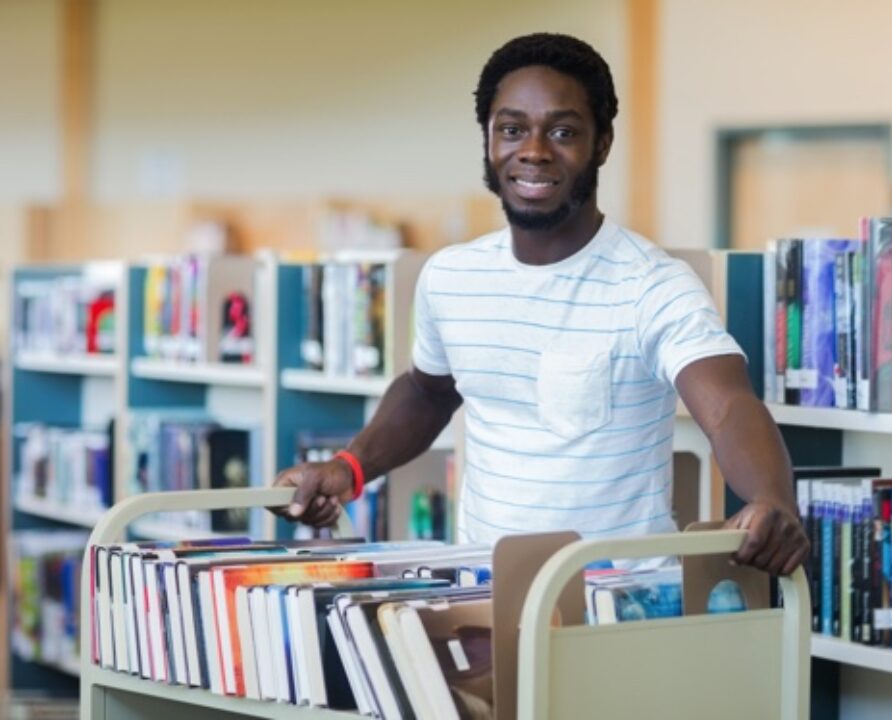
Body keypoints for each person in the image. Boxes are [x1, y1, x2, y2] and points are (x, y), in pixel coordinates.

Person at [273, 33, 808, 576]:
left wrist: (773, 500)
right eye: (511, 129)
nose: (533, 150)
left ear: (601, 143)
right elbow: (427, 390)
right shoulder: (450, 277)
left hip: (622, 605)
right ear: (487, 139)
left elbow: (727, 407)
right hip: (483, 595)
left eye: (562, 131)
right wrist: (350, 466)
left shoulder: (652, 284)